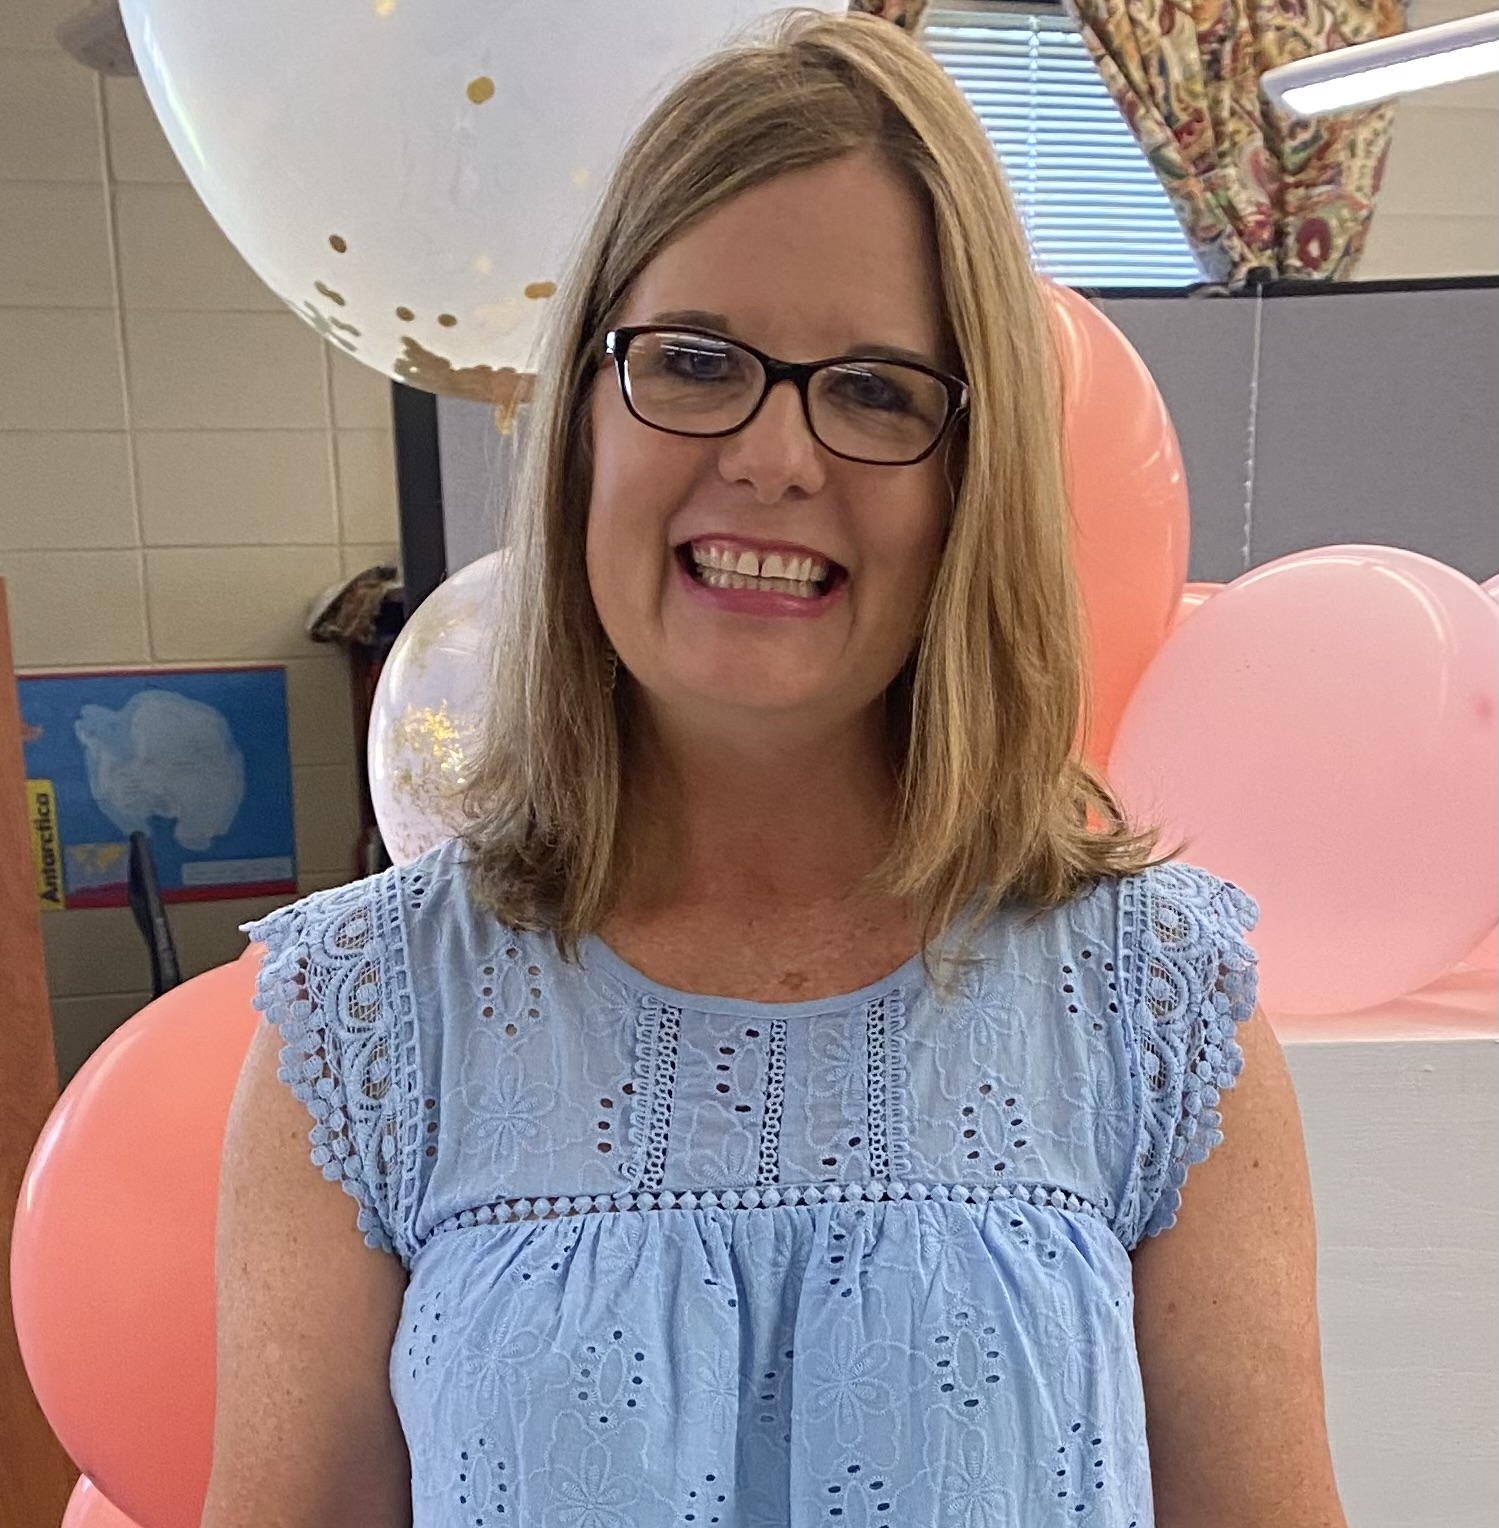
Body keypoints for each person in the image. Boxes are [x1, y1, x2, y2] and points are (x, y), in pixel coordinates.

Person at [204, 10, 1345, 1526]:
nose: (775, 457)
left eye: (875, 390)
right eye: (691, 361)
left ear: (971, 478)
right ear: (584, 429)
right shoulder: (365, 1034)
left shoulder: (1159, 1016)